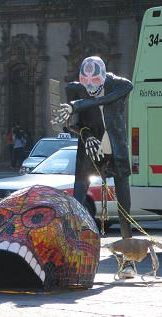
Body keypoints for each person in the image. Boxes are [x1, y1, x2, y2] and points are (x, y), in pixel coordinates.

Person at [52, 56, 135, 279]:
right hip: (89, 147)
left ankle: (128, 261)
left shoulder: (121, 85)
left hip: (115, 148)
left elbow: (106, 100)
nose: (89, 85)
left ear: (104, 75)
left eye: (95, 79)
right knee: (78, 200)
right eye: (84, 80)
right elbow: (70, 124)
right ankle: (71, 255)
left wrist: (76, 105)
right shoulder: (74, 90)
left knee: (124, 205)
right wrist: (85, 133)